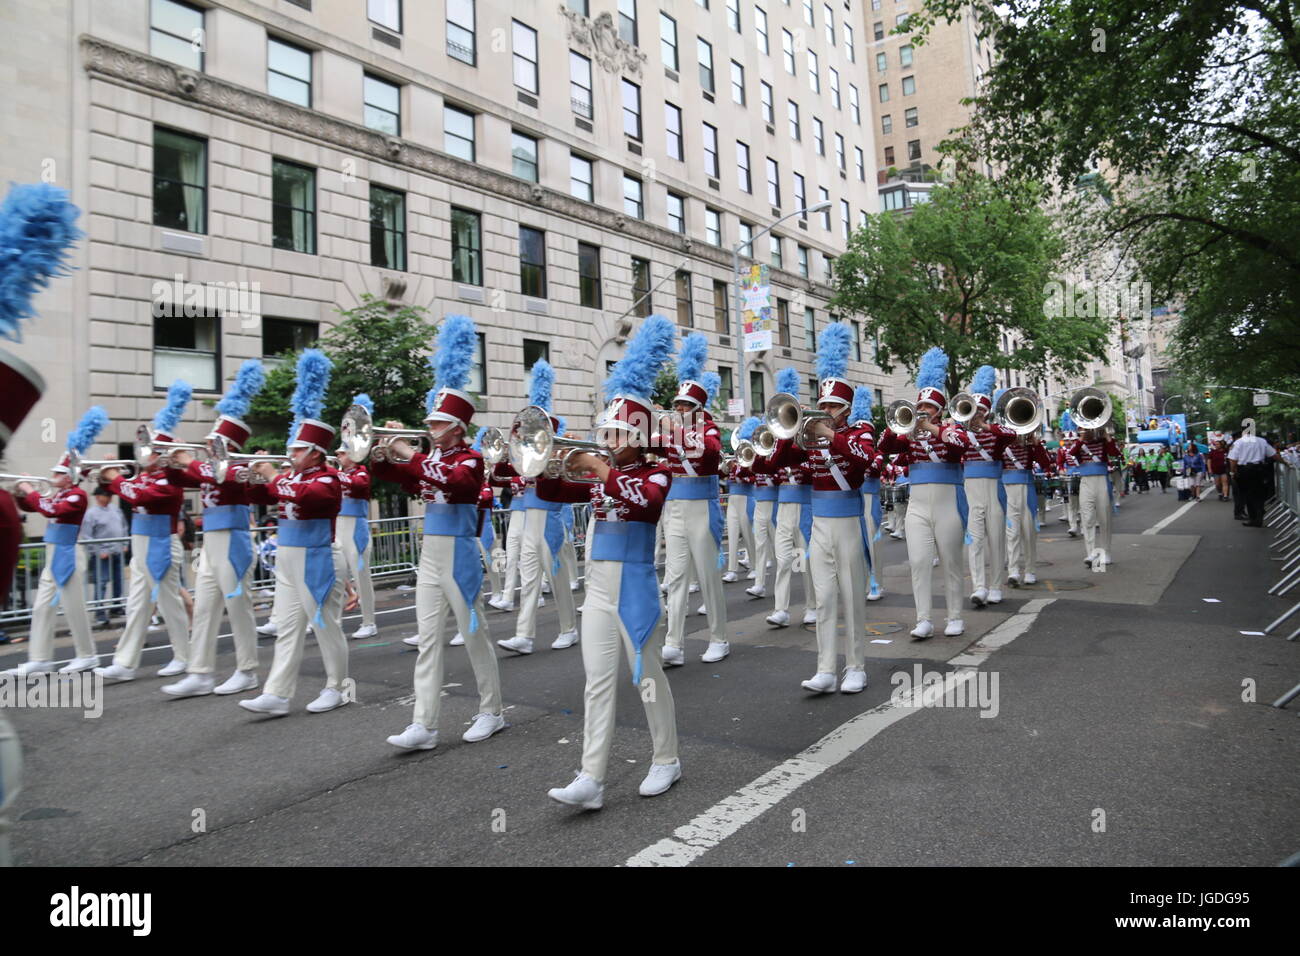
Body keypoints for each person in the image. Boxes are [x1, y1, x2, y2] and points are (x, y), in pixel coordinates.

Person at [547, 315, 681, 808]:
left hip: (635, 586)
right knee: (597, 682)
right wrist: (535, 463)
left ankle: (666, 758)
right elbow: (555, 488)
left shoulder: (658, 472)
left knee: (646, 678)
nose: (607, 442)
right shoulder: (605, 471)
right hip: (598, 585)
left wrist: (601, 468)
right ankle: (591, 778)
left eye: (618, 434)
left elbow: (643, 505)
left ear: (641, 436)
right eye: (606, 433)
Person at [379, 317, 504, 749]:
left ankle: (492, 710)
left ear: (457, 427)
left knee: (473, 632)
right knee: (428, 638)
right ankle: (424, 724)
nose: (430, 429)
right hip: (430, 551)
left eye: (437, 424)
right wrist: (382, 452)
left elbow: (456, 483)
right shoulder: (429, 458)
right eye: (429, 423)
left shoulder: (469, 459)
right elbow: (396, 477)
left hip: (460, 552)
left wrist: (409, 453)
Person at [760, 323, 877, 692]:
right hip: (820, 524)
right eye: (822, 404)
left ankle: (856, 666)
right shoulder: (808, 439)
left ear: (845, 409)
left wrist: (831, 435)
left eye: (831, 406)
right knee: (824, 598)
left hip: (848, 521)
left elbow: (868, 461)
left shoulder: (859, 431)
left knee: (853, 597)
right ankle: (826, 668)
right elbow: (770, 465)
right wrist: (787, 432)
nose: (824, 410)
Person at [237, 351, 350, 716]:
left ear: (317, 454)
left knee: (325, 626)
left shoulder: (327, 478)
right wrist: (252, 476)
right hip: (288, 556)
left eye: (298, 448)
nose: (291, 452)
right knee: (286, 628)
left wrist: (271, 475)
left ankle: (337, 687)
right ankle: (278, 694)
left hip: (318, 555)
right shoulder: (291, 476)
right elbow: (260, 495)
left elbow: (311, 498)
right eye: (292, 447)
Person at [159, 360, 267, 698]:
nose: (207, 447)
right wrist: (168, 458)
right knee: (204, 609)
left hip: (234, 543)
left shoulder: (240, 467)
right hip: (212, 545)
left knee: (238, 608)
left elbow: (215, 474)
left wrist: (186, 458)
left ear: (229, 447)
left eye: (214, 443)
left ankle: (247, 670)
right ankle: (200, 672)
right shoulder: (208, 466)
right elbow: (180, 477)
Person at [95, 381, 194, 682]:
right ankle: (125, 663)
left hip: (161, 544)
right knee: (136, 604)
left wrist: (113, 478)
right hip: (141, 545)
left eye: (150, 451)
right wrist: (109, 475)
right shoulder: (143, 477)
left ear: (163, 456)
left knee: (168, 603)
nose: (144, 454)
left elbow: (138, 496)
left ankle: (185, 656)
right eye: (145, 450)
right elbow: (126, 488)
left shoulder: (169, 480)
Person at [878, 347, 976, 640]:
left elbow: (962, 446)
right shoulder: (910, 436)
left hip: (948, 504)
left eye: (929, 408)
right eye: (920, 406)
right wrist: (904, 430)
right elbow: (884, 447)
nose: (922, 411)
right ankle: (923, 619)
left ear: (940, 411)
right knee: (919, 562)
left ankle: (955, 615)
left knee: (951, 562)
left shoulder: (951, 429)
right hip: (917, 506)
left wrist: (932, 427)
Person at [7, 407, 109, 675]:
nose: (52, 477)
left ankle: (88, 656)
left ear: (70, 477)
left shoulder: (76, 496)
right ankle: (40, 659)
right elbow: (32, 507)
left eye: (58, 474)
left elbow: (49, 510)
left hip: (68, 555)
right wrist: (20, 492)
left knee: (74, 609)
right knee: (41, 607)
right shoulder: (56, 494)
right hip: (54, 555)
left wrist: (30, 490)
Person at [649, 334, 730, 667]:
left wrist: (675, 429)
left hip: (701, 507)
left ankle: (719, 638)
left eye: (685, 406)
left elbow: (711, 451)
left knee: (709, 576)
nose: (679, 409)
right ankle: (674, 643)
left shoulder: (708, 428)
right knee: (676, 576)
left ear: (698, 409)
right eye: (677, 405)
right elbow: (646, 447)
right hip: (675, 508)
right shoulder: (667, 431)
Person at [497, 359, 580, 654]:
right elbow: (500, 476)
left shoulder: (556, 457)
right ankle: (524, 636)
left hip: (549, 519)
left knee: (556, 577)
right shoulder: (525, 455)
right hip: (529, 515)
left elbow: (556, 488)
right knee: (529, 577)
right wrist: (507, 451)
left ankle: (569, 629)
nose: (526, 438)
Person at [759, 368, 818, 628]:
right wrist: (785, 434)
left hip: (806, 505)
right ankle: (781, 609)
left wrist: (802, 430)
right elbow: (768, 465)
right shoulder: (783, 445)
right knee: (784, 559)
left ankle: (813, 605)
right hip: (783, 506)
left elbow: (811, 466)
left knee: (805, 559)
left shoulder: (811, 443)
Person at [958, 367, 1016, 608]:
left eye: (981, 411)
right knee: (975, 540)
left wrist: (985, 425)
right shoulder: (960, 434)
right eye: (974, 411)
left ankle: (995, 586)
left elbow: (1011, 433)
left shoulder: (996, 433)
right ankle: (978, 586)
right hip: (971, 491)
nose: (976, 415)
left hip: (994, 491)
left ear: (988, 413)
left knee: (996, 539)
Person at [336, 399, 377, 641]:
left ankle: (369, 621)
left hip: (356, 530)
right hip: (339, 528)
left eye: (342, 453)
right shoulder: (338, 473)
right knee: (335, 574)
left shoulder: (360, 472)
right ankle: (335, 619)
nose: (339, 457)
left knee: (362, 578)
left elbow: (360, 485)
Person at [1002, 417, 1054, 588]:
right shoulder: (1001, 444)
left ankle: (1030, 570)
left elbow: (1046, 462)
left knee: (1029, 531)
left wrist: (1035, 443)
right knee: (1012, 532)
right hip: (1007, 489)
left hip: (1026, 488)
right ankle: (1013, 570)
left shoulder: (1029, 445)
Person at [1065, 426, 1122, 568]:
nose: (1086, 429)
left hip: (1101, 479)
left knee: (1104, 518)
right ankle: (1092, 553)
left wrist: (1107, 436)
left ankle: (1106, 552)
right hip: (1085, 481)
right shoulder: (1080, 442)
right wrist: (1082, 439)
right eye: (1083, 427)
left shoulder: (1104, 441)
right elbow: (1071, 453)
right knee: (1087, 517)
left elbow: (1115, 453)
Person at [83, 485, 127, 627]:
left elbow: (124, 527)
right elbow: (86, 535)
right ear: (98, 497)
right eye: (106, 495)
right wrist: (96, 550)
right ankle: (99, 611)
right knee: (101, 582)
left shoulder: (116, 509)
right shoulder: (91, 513)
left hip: (117, 550)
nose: (109, 497)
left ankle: (116, 606)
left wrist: (125, 543)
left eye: (110, 495)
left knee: (118, 580)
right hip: (102, 553)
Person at [722, 418, 758, 584]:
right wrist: (726, 468)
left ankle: (755, 567)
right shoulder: (735, 459)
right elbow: (724, 477)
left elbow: (754, 478)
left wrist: (741, 472)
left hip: (746, 498)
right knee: (733, 535)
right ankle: (732, 570)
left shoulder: (752, 459)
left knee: (749, 535)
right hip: (733, 500)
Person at [1228, 429, 1282, 527]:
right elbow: (1274, 455)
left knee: (1248, 495)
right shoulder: (1261, 441)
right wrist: (1285, 463)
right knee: (1259, 494)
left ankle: (1254, 518)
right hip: (1259, 470)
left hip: (1244, 471)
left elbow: (1233, 459)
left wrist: (1233, 472)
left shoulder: (1238, 442)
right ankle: (1259, 513)